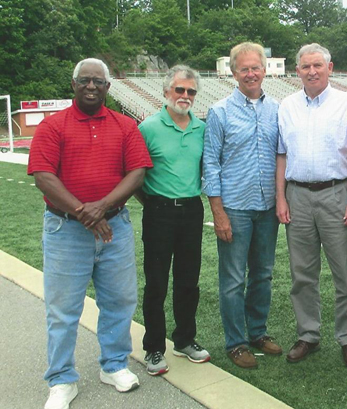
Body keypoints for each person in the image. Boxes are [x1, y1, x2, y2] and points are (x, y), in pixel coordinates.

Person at [27, 58, 153, 409]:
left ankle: (113, 365)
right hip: (65, 230)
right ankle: (61, 379)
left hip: (114, 227)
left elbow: (137, 172)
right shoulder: (53, 126)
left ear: (108, 87)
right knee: (63, 308)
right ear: (74, 84)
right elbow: (43, 176)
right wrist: (85, 212)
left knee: (119, 301)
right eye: (85, 80)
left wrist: (103, 206)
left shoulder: (125, 125)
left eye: (98, 81)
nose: (92, 86)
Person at [276, 43, 347, 368]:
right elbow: (281, 154)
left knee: (345, 273)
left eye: (317, 65)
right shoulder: (286, 106)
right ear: (297, 71)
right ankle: (308, 334)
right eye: (305, 66)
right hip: (297, 196)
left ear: (330, 68)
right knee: (302, 273)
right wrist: (281, 197)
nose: (312, 71)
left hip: (336, 193)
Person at [202, 42, 282, 369]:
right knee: (234, 279)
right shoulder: (219, 111)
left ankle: (257, 332)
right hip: (234, 207)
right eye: (244, 69)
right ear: (233, 73)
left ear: (264, 70)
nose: (251, 74)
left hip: (268, 207)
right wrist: (218, 212)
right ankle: (236, 342)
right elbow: (211, 164)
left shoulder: (277, 109)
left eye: (255, 68)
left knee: (263, 274)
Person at [136, 65, 209, 377]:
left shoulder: (201, 128)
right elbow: (134, 173)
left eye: (191, 91)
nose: (185, 96)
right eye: (180, 89)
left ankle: (184, 340)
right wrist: (153, 203)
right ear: (166, 91)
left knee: (188, 280)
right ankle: (154, 347)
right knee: (156, 282)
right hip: (159, 211)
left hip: (192, 210)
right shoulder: (148, 128)